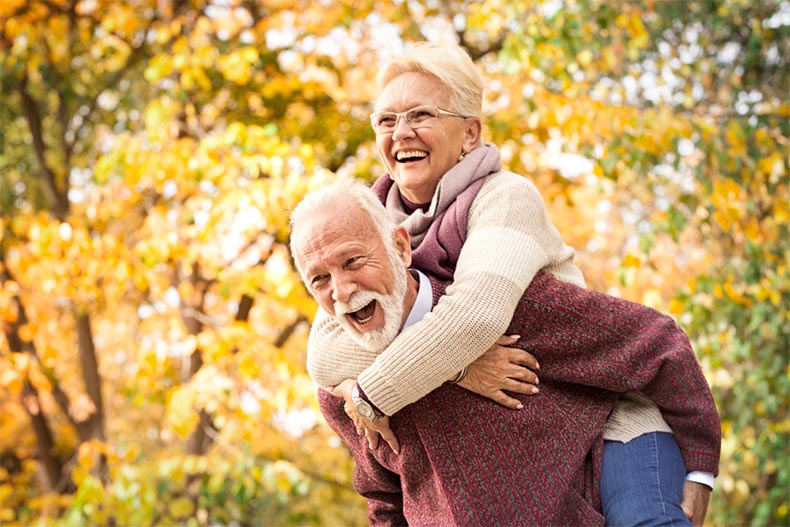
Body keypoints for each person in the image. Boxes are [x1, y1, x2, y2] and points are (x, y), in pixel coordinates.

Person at [304, 41, 716, 525]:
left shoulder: (504, 198)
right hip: (526, 435)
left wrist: (370, 393)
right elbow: (325, 354)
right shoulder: (364, 233)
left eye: (421, 114)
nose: (401, 133)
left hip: (598, 408)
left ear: (470, 134)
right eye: (386, 121)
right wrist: (458, 369)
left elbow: (475, 316)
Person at [289, 180, 721, 526]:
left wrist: (700, 467)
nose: (342, 291)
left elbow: (657, 343)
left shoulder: (511, 309)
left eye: (352, 262)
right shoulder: (342, 395)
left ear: (401, 248)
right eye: (319, 280)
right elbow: (384, 497)